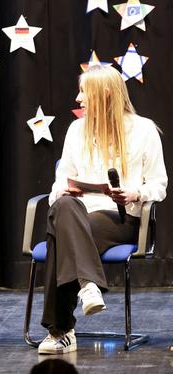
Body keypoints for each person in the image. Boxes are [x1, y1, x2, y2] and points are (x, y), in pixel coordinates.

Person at [38, 65, 167, 354]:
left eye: (84, 92)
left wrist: (136, 192)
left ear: (105, 94)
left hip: (123, 217)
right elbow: (59, 183)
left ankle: (59, 330)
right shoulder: (77, 129)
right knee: (64, 206)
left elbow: (159, 185)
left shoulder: (144, 129)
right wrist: (64, 189)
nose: (79, 98)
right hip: (78, 213)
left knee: (59, 235)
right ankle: (88, 286)